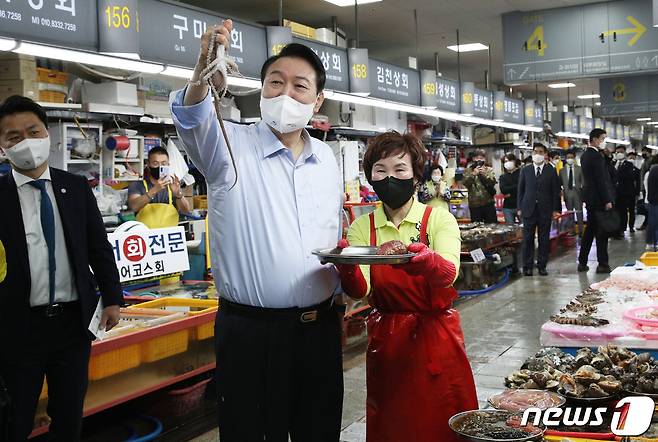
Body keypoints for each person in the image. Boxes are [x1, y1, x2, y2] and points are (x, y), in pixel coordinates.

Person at [170, 21, 344, 442]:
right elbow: (193, 120)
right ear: (261, 89)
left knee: (317, 432)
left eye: (300, 86)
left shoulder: (327, 159)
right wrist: (202, 70)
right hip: (251, 334)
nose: (286, 94)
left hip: (319, 330)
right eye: (275, 82)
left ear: (317, 99)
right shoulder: (228, 146)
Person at [334, 132, 477, 442]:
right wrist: (346, 269)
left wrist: (427, 261)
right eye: (380, 171)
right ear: (370, 176)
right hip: (388, 342)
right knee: (393, 424)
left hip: (436, 338)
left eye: (400, 169)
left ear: (415, 175)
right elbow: (362, 289)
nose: (390, 178)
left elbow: (449, 273)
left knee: (443, 425)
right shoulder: (363, 226)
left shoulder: (437, 219)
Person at [0, 95, 123, 441]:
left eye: (32, 131)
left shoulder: (75, 188)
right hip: (17, 327)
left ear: (47, 134)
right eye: (12, 136)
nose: (24, 141)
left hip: (72, 324)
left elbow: (98, 247)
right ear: (1, 145)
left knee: (69, 416)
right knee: (16, 418)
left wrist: (112, 298)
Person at [517, 143, 561, 276]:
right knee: (528, 239)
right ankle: (527, 266)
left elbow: (555, 192)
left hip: (545, 210)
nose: (537, 154)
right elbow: (521, 190)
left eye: (540, 152)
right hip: (528, 209)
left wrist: (555, 209)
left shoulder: (551, 171)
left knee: (543, 239)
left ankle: (542, 265)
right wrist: (519, 207)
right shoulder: (526, 170)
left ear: (545, 154)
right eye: (535, 151)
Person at [579, 128, 615, 274]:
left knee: (589, 231)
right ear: (594, 139)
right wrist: (607, 199)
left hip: (591, 199)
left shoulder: (585, 155)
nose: (603, 141)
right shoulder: (595, 156)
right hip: (599, 200)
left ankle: (582, 262)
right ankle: (603, 264)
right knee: (602, 233)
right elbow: (601, 181)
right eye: (602, 138)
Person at [128, 146, 191, 229]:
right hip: (146, 238)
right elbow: (134, 206)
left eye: (164, 164)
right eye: (155, 163)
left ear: (168, 165)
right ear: (148, 164)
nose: (160, 166)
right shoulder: (137, 185)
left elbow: (186, 210)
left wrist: (178, 193)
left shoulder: (172, 186)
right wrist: (154, 190)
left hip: (168, 237)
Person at [463, 148, 497, 223]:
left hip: (488, 203)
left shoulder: (489, 170)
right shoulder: (468, 171)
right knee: (476, 228)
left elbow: (493, 182)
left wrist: (484, 174)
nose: (478, 160)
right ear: (473, 159)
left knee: (492, 226)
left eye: (481, 158)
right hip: (474, 205)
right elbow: (465, 183)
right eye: (476, 158)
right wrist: (473, 174)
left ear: (484, 159)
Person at [613, 147, 641, 238]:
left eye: (621, 152)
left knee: (626, 211)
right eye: (617, 152)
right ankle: (618, 228)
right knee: (619, 211)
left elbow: (629, 177)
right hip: (616, 193)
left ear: (624, 153)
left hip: (627, 192)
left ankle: (625, 228)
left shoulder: (629, 165)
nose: (619, 154)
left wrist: (637, 192)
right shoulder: (613, 164)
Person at [559, 151, 584, 235]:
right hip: (567, 192)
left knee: (579, 212)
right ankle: (571, 230)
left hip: (577, 192)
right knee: (569, 213)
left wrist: (583, 192)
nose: (570, 159)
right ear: (565, 159)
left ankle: (581, 230)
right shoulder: (562, 171)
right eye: (568, 157)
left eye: (571, 157)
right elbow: (560, 183)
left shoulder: (579, 169)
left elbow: (583, 182)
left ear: (574, 158)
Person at [499, 153, 521, 224]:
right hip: (507, 207)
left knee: (525, 228)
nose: (507, 163)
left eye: (509, 161)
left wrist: (510, 192)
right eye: (505, 161)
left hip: (521, 206)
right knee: (510, 230)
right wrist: (516, 188)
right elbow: (503, 190)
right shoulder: (503, 177)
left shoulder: (522, 173)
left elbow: (522, 187)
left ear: (515, 161)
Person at [645, 155, 658, 250]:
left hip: (652, 200)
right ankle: (655, 243)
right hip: (655, 201)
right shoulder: (655, 169)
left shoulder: (652, 169)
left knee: (653, 222)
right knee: (655, 223)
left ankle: (651, 243)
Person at [638, 147, 653, 231]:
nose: (643, 153)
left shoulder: (650, 161)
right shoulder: (644, 161)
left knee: (648, 207)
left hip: (648, 187)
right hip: (644, 187)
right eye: (642, 151)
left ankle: (647, 224)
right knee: (646, 207)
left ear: (649, 152)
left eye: (645, 152)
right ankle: (647, 223)